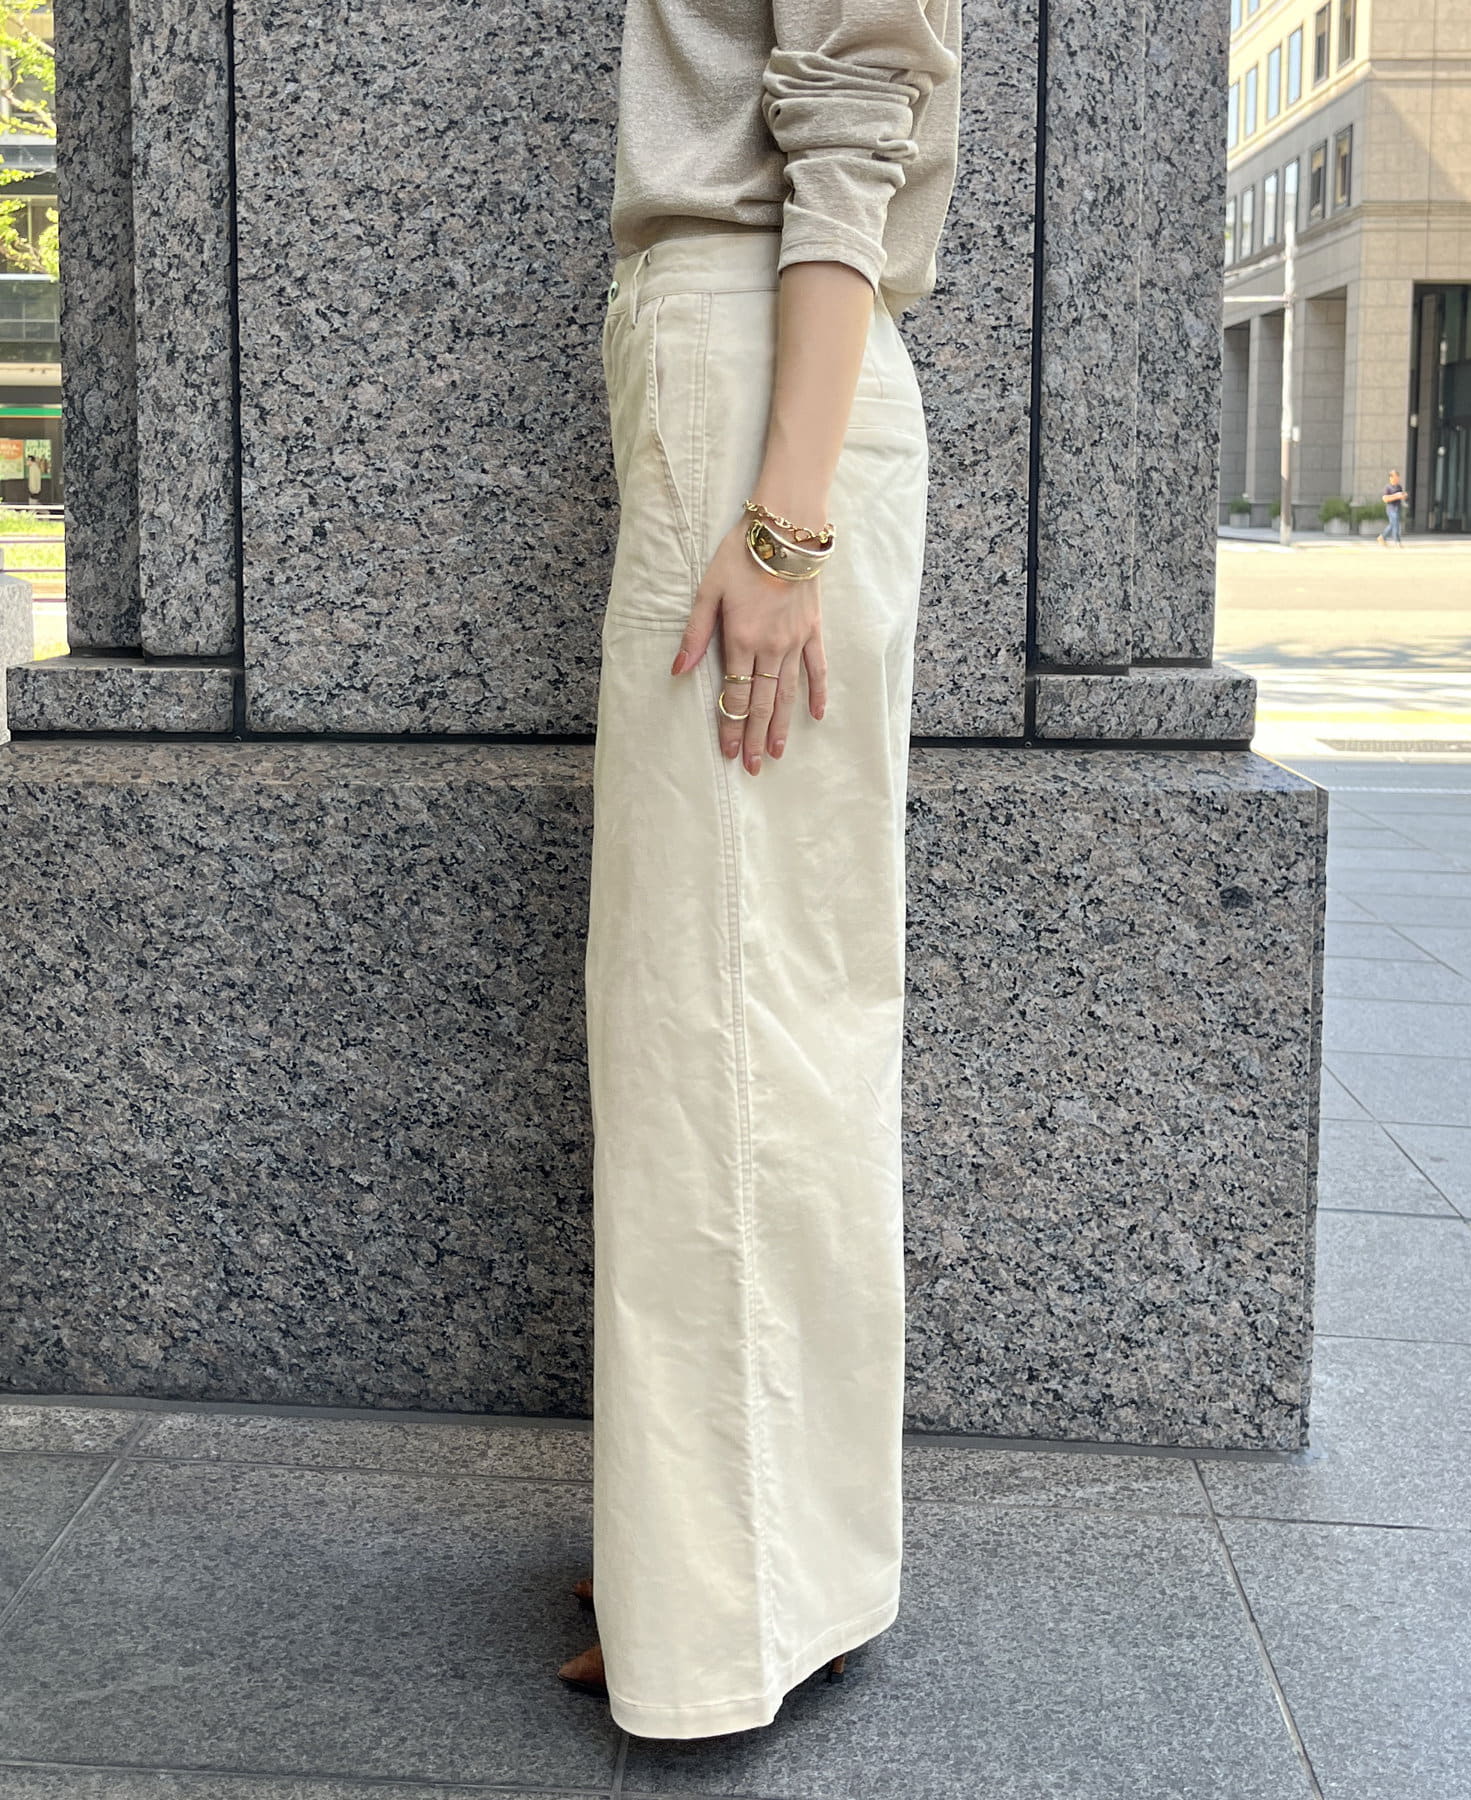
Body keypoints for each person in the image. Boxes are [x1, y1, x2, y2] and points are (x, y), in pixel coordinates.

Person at [559, 0, 963, 1742]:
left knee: (712, 1025)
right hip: (757, 376)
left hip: (763, 396)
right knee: (762, 1010)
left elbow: (857, 102)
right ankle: (754, 1565)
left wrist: (783, 523)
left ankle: (723, 1615)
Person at [1378, 469, 1407, 546]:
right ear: (1391, 477)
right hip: (1391, 509)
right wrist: (1396, 496)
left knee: (1392, 525)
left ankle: (1382, 537)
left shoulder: (1399, 487)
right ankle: (1397, 541)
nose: (1397, 479)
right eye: (1395, 477)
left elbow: (1401, 496)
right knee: (1396, 525)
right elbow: (1385, 499)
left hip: (1398, 508)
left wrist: (1403, 496)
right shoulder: (1388, 487)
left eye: (1398, 477)